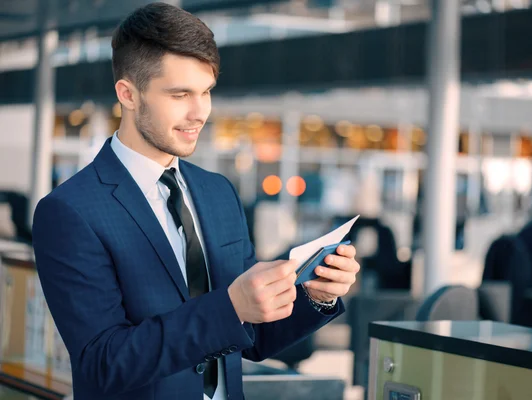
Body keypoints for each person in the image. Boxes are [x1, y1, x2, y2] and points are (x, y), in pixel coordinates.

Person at [31, 3, 360, 400]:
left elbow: (251, 338)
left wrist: (315, 295)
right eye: (180, 94)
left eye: (205, 92)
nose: (199, 111)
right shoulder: (69, 212)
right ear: (128, 94)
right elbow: (103, 363)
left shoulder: (217, 192)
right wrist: (230, 306)